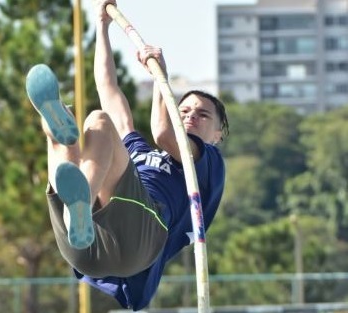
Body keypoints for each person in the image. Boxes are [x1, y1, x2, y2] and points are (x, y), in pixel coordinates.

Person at [27, 0, 228, 310]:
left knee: (99, 122)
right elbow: (107, 87)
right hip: (87, 250)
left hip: (142, 239)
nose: (189, 116)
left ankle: (77, 207)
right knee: (84, 130)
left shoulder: (208, 165)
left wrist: (163, 81)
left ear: (218, 134)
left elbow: (163, 131)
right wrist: (102, 26)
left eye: (202, 115)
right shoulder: (137, 153)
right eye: (183, 109)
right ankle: (71, 183)